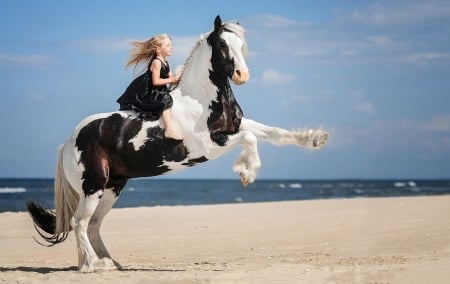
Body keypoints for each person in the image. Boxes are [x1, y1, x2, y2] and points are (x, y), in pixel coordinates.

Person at [120, 34, 183, 140]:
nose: (171, 47)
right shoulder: (156, 62)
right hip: (150, 92)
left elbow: (170, 78)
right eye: (167, 46)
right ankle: (168, 130)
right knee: (166, 99)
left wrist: (178, 78)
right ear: (158, 49)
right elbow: (156, 81)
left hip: (159, 90)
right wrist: (171, 80)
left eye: (171, 45)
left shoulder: (167, 63)